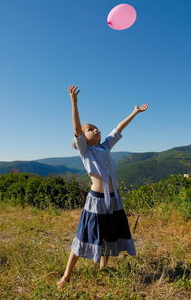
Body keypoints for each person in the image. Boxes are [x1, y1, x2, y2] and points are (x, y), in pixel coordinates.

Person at [57, 85, 148, 288]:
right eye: (90, 129)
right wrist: (74, 103)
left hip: (113, 198)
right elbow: (76, 128)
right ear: (82, 137)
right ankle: (67, 275)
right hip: (96, 200)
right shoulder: (85, 151)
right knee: (84, 234)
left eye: (96, 127)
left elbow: (118, 128)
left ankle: (103, 268)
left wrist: (134, 112)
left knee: (108, 233)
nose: (96, 129)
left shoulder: (104, 146)